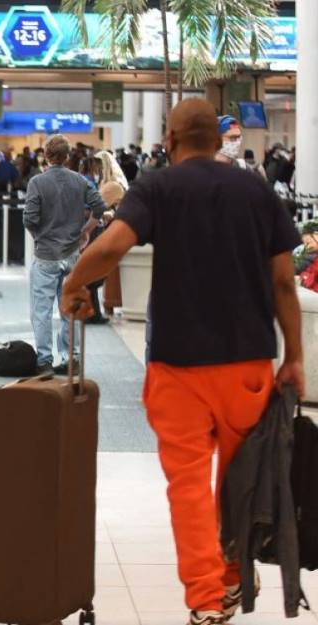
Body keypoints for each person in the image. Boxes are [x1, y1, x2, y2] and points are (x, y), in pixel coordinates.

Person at [60, 98, 305, 625]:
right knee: (240, 479)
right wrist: (296, 359)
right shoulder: (256, 190)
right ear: (218, 141)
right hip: (248, 366)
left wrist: (74, 282)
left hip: (178, 367)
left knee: (188, 487)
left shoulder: (157, 187)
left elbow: (111, 247)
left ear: (169, 139)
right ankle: (236, 573)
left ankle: (207, 599)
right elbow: (284, 281)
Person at [22, 134, 106, 374]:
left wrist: (39, 236)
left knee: (41, 310)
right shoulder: (80, 181)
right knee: (70, 307)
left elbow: (29, 219)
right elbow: (99, 207)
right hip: (72, 254)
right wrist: (85, 231)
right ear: (68, 156)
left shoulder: (37, 183)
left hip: (46, 254)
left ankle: (44, 361)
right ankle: (73, 358)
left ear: (45, 156)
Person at [91, 150, 129, 319]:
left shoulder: (112, 186)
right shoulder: (109, 185)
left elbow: (96, 206)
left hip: (111, 233)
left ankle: (101, 308)